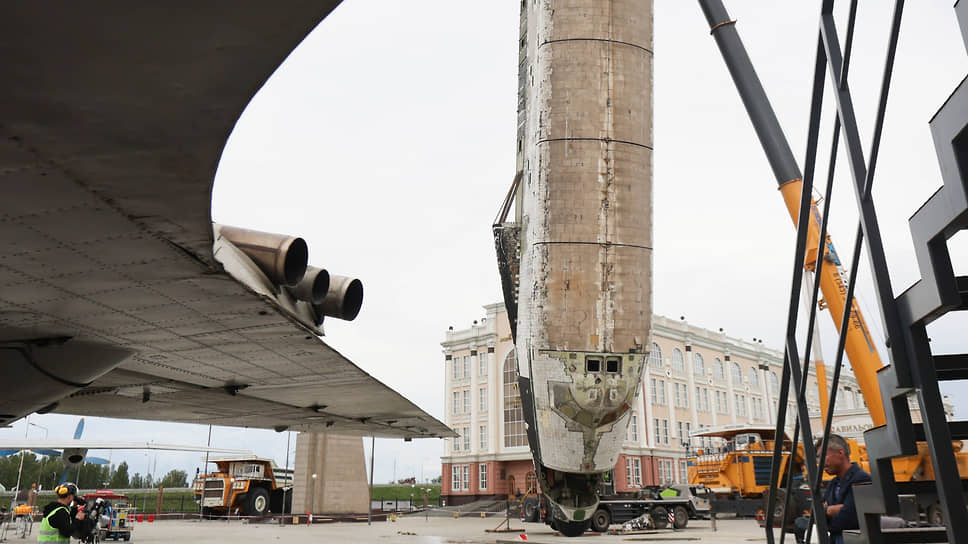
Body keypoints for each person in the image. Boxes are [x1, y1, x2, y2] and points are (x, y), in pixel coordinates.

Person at [820, 434, 870, 544]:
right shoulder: (833, 483)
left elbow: (850, 519)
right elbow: (817, 514)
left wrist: (827, 511)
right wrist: (830, 511)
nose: (821, 462)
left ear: (840, 453)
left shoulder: (862, 479)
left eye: (824, 456)